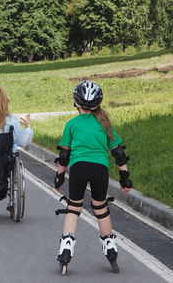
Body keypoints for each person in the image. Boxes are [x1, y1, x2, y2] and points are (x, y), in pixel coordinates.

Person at [53, 80, 133, 275]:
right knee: (100, 207)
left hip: (79, 168)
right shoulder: (104, 123)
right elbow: (118, 153)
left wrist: (59, 177)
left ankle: (65, 250)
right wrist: (125, 178)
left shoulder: (71, 124)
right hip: (100, 169)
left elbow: (64, 155)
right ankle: (111, 250)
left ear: (76, 103)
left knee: (74, 207)